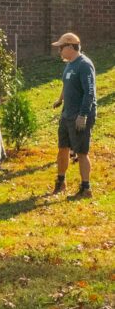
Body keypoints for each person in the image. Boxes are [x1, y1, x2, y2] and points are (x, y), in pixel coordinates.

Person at [50, 32, 96, 199]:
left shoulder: (84, 65)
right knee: (62, 148)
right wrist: (60, 99)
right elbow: (66, 84)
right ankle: (61, 182)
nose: (60, 51)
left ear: (70, 46)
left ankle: (86, 188)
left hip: (80, 115)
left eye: (61, 47)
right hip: (67, 113)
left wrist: (83, 115)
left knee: (82, 152)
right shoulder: (69, 64)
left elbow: (89, 92)